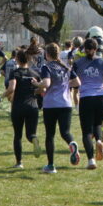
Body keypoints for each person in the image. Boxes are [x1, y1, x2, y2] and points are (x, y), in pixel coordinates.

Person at [72, 38, 103, 169]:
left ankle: (91, 160)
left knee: (86, 131)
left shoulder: (78, 63)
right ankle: (99, 140)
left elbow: (72, 80)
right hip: (101, 97)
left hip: (86, 97)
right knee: (98, 123)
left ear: (84, 49)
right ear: (96, 49)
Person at [37, 43, 81, 173]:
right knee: (65, 132)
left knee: (50, 135)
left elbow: (46, 83)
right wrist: (65, 84)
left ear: (47, 54)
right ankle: (71, 143)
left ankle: (51, 165)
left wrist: (37, 84)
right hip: (66, 104)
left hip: (51, 104)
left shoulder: (46, 67)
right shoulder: (65, 67)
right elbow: (78, 82)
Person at [4, 43, 44, 169]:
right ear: (29, 59)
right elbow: (42, 90)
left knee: (18, 135)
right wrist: (34, 91)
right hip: (33, 106)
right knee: (30, 134)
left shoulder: (15, 73)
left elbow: (12, 88)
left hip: (18, 106)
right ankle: (34, 139)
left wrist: (3, 95)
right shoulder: (35, 73)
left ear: (17, 59)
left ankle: (19, 162)